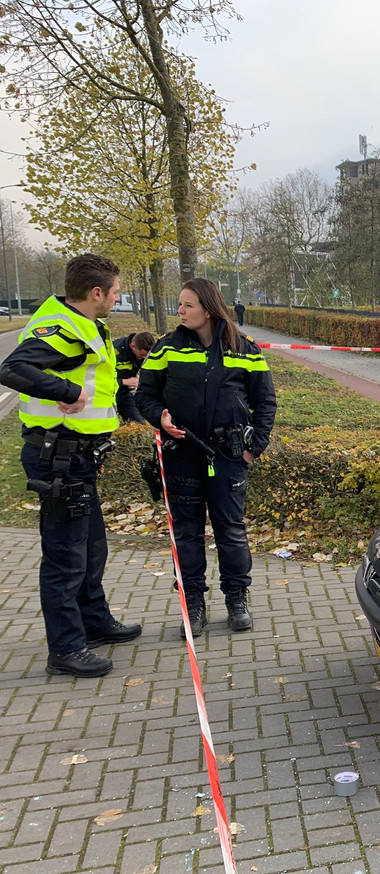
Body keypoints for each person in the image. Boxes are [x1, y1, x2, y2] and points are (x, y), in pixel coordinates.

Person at [0, 254, 142, 677]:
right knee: (65, 556)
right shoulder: (61, 327)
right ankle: (65, 648)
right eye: (115, 291)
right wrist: (64, 388)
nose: (117, 298)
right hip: (57, 456)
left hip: (77, 456)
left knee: (91, 546)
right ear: (96, 292)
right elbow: (13, 367)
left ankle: (93, 621)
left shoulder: (83, 324)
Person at [136, 278, 276, 637]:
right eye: (179, 305)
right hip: (180, 453)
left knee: (230, 530)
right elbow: (145, 395)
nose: (180, 311)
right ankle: (193, 604)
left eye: (187, 305)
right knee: (187, 533)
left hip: (229, 456)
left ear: (210, 309)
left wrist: (252, 448)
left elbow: (266, 402)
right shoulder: (166, 348)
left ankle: (236, 599)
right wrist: (160, 417)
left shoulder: (245, 349)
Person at [112, 331, 156, 424]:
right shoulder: (113, 351)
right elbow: (99, 379)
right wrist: (124, 381)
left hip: (123, 393)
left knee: (139, 424)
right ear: (132, 346)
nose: (143, 358)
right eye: (141, 355)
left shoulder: (144, 354)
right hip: (107, 394)